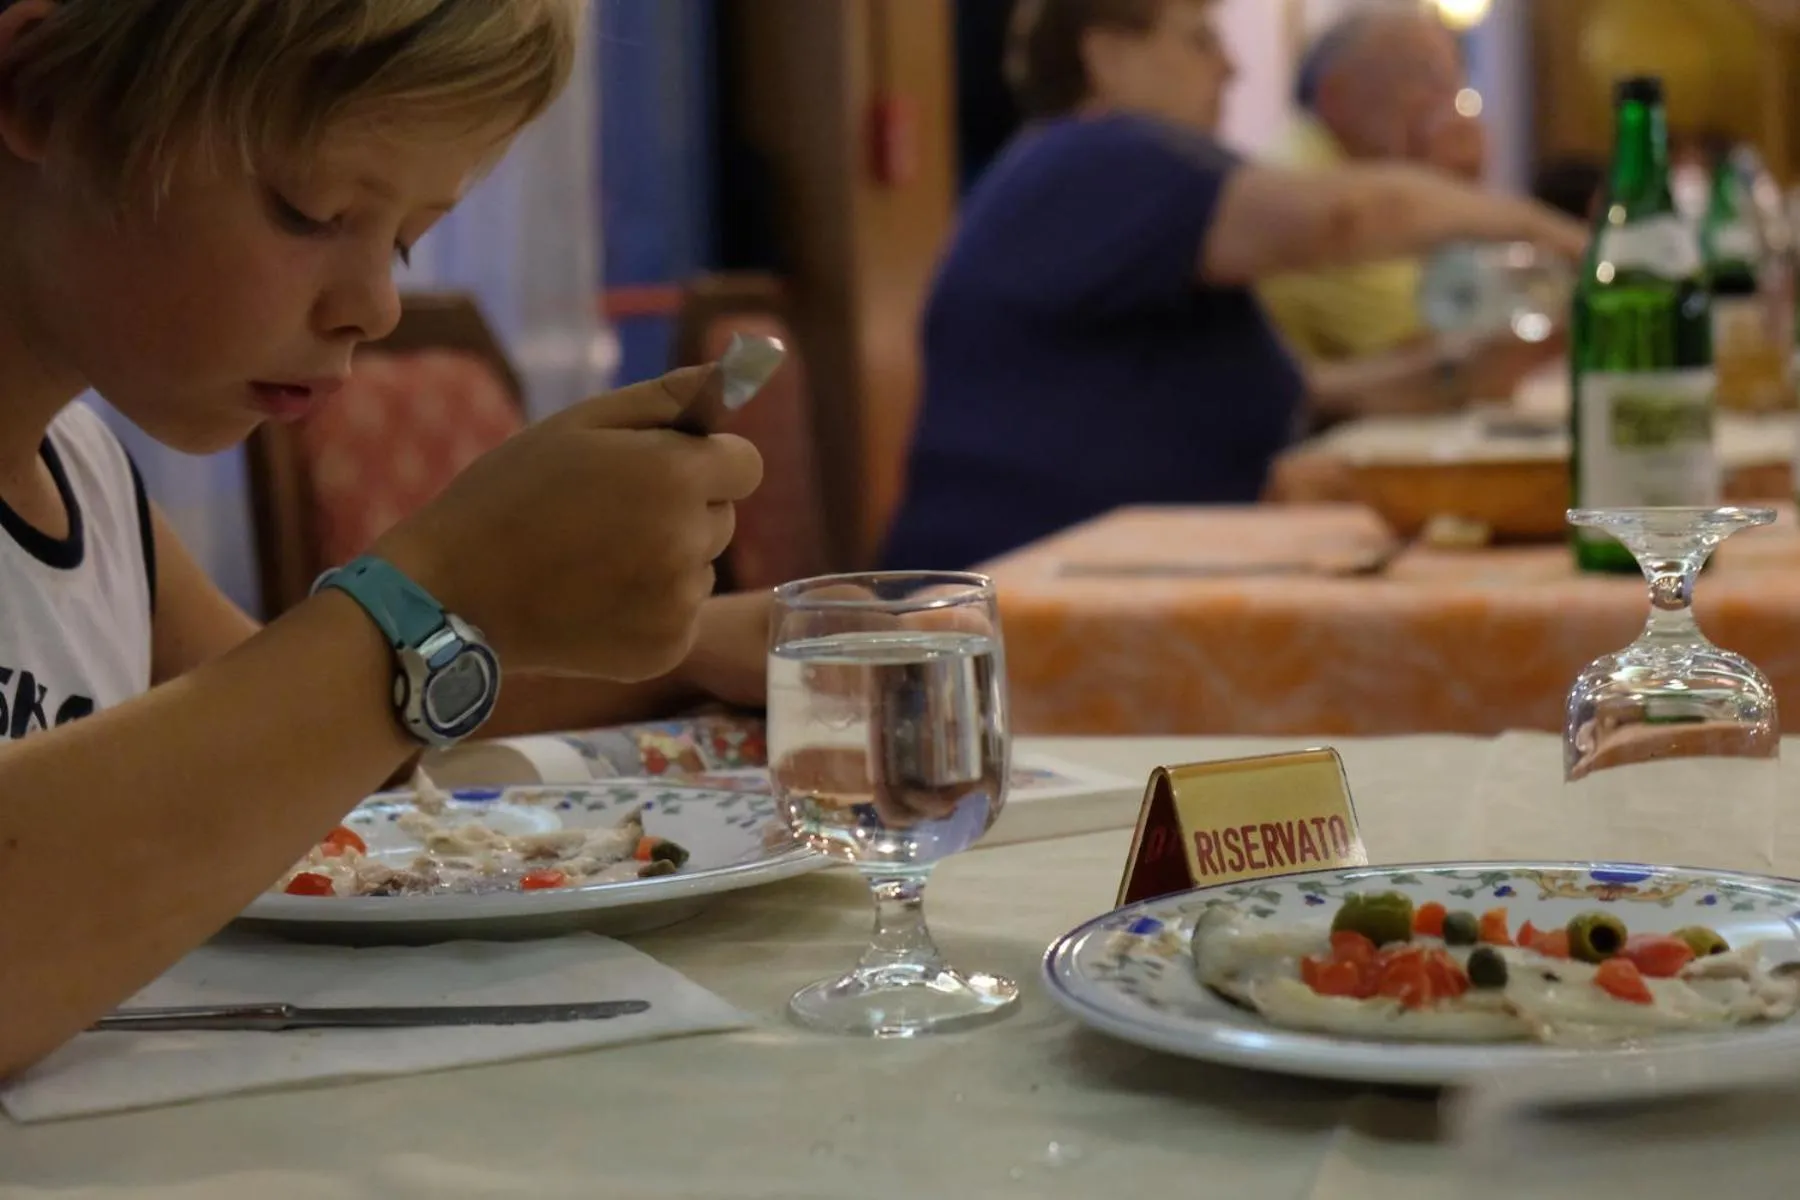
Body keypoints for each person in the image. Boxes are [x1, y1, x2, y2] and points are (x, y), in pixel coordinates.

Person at [0, 0, 770, 1077]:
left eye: (404, 239)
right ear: (41, 91)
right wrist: (434, 592)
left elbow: (290, 739)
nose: (376, 304)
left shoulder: (80, 476)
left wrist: (673, 644)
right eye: (312, 211)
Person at [879, 0, 1586, 572]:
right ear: (1106, 54)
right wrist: (1561, 236)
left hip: (1084, 574)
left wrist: (1467, 370)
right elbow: (1353, 217)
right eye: (1200, 38)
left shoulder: (1109, 194)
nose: (1231, 65)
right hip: (1019, 593)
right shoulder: (1098, 158)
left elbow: (1317, 392)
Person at [1256, 9, 1561, 421]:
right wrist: (1460, 198)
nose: (1444, 107)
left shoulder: (1356, 177)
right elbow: (1441, 348)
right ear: (1337, 96)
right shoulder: (1311, 186)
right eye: (1423, 79)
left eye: (1453, 83)